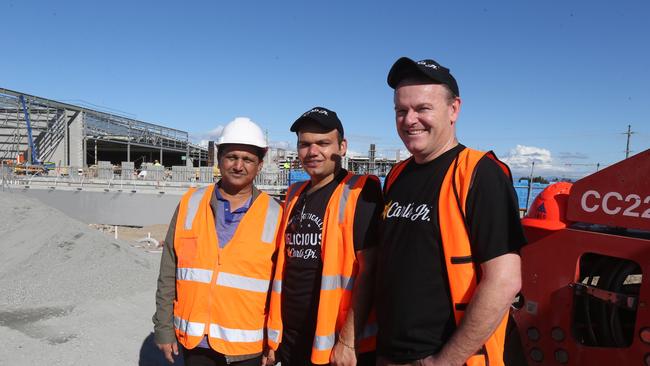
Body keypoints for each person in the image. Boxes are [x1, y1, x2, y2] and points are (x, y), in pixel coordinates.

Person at [376, 57, 526, 366]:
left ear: (454, 109)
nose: (409, 120)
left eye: (423, 108)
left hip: (442, 357)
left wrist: (445, 361)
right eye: (401, 111)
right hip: (389, 352)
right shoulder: (396, 176)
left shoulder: (479, 174)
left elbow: (504, 281)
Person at [152, 118, 283, 366]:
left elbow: (280, 288)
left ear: (259, 165)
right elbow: (169, 270)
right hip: (196, 342)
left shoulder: (276, 214)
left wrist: (275, 342)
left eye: (248, 159)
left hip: (248, 346)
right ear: (219, 158)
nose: (238, 165)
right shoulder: (191, 203)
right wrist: (163, 328)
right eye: (231, 157)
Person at [265, 107, 383, 366]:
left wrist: (348, 341)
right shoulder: (295, 193)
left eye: (323, 143)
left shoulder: (360, 191)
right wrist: (274, 339)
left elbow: (370, 271)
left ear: (342, 147)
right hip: (291, 340)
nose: (313, 151)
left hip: (335, 341)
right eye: (305, 144)